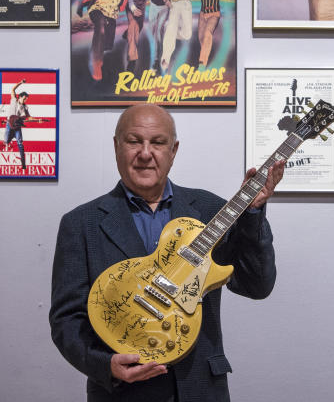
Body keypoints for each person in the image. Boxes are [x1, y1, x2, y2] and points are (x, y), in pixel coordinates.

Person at [50, 105, 284, 401]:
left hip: (202, 389)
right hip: (123, 394)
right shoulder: (81, 223)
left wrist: (252, 212)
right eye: (134, 141)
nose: (146, 153)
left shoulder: (211, 212)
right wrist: (105, 365)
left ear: (173, 151)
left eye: (158, 143)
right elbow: (65, 321)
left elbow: (257, 285)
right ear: (116, 146)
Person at [75, 0, 130, 82]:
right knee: (100, 28)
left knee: (107, 45)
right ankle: (96, 63)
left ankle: (96, 50)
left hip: (111, 15)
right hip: (97, 9)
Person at [192, 0, 234, 69]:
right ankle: (206, 57)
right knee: (202, 38)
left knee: (207, 34)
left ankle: (202, 64)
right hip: (202, 14)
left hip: (214, 13)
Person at [147, 0, 169, 74]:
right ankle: (155, 60)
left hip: (164, 8)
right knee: (153, 34)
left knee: (160, 34)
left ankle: (162, 60)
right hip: (153, 7)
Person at [4, 80, 33, 171]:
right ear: (19, 97)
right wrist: (20, 82)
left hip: (17, 127)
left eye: (26, 99)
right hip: (9, 125)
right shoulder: (14, 100)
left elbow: (29, 117)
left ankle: (23, 165)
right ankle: (10, 137)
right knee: (6, 141)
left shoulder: (25, 107)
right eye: (24, 98)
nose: (25, 100)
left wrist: (38, 120)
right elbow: (13, 89)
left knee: (20, 144)